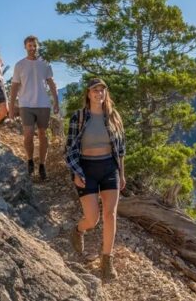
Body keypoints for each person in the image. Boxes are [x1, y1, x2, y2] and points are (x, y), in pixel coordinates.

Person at [65, 77, 126, 280]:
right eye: (94, 91)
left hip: (110, 168)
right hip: (86, 169)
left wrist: (122, 174)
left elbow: (121, 150)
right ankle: (78, 230)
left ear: (105, 93)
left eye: (102, 90)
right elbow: (70, 148)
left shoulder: (114, 117)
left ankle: (106, 260)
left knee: (110, 215)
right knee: (92, 219)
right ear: (88, 94)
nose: (98, 94)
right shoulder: (79, 117)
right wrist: (76, 173)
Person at [8, 35, 59, 181]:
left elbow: (51, 83)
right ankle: (30, 160)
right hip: (26, 105)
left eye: (35, 45)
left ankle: (42, 164)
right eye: (30, 46)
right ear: (25, 47)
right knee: (28, 134)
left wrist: (56, 101)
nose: (33, 48)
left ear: (38, 46)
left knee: (43, 135)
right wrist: (11, 107)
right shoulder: (20, 65)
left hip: (43, 104)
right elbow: (14, 87)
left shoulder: (45, 64)